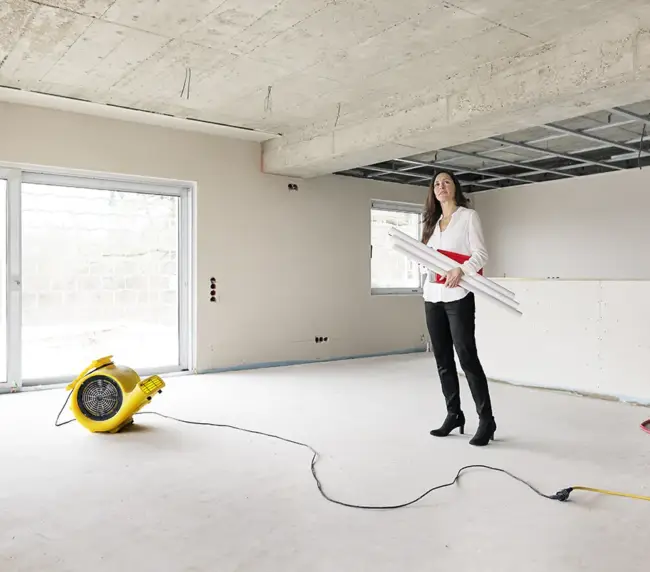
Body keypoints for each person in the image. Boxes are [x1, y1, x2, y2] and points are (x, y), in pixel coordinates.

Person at [420, 170, 496, 446]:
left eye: (446, 182)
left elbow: (481, 255)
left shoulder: (468, 217)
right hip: (433, 297)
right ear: (433, 191)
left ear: (455, 188)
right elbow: (426, 258)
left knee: (467, 358)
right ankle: (454, 414)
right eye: (436, 183)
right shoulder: (431, 223)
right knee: (442, 361)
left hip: (459, 296)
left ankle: (486, 421)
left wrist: (461, 271)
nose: (441, 187)